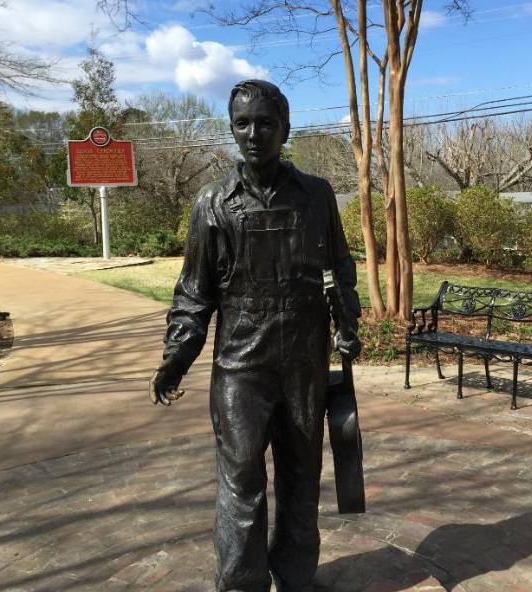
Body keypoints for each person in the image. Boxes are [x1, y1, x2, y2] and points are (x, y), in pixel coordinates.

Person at [148, 79, 361, 592]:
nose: (253, 133)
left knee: (301, 477)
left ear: (285, 128)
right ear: (231, 128)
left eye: (265, 122)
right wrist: (178, 353)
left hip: (304, 361)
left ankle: (295, 577)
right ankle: (241, 584)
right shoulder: (213, 203)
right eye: (242, 123)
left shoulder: (317, 196)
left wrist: (348, 323)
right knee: (241, 481)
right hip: (241, 365)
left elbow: (339, 266)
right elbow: (194, 292)